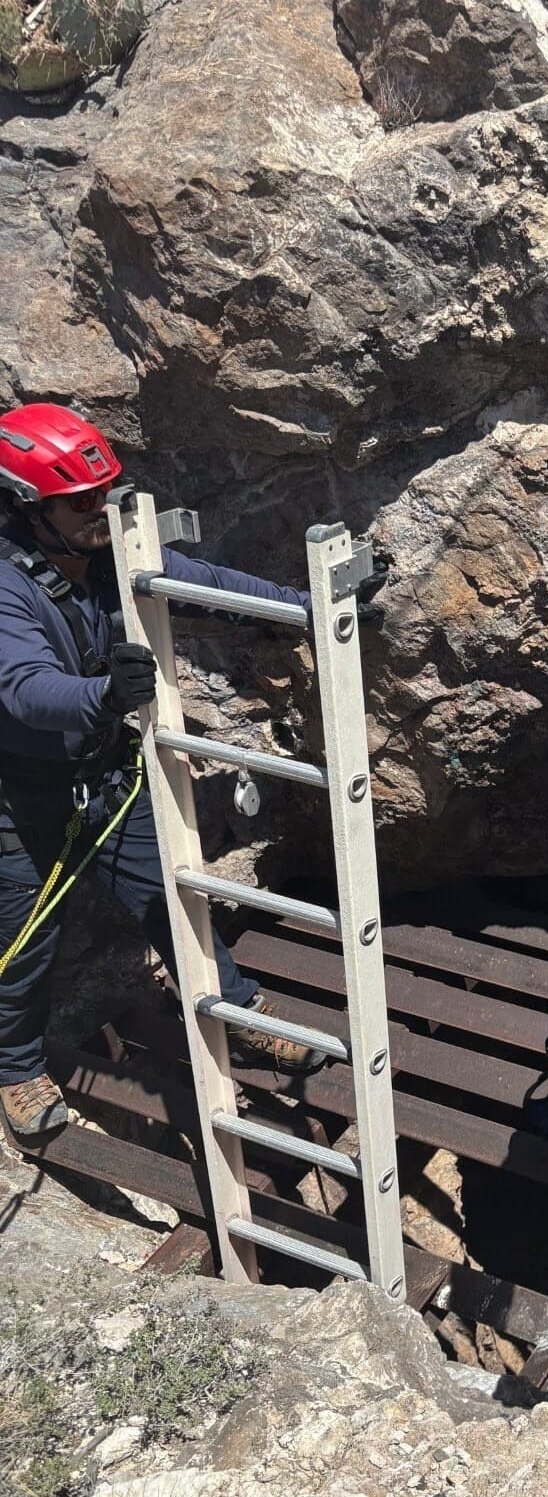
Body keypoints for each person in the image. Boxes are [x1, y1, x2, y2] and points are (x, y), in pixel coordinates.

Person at [0, 402, 378, 1139]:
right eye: (76, 501)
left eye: (101, 494)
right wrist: (103, 695)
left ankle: (235, 1008)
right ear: (25, 507)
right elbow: (21, 688)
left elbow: (196, 579)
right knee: (24, 943)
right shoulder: (5, 586)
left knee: (179, 901)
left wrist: (312, 609)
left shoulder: (107, 547)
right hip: (23, 799)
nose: (96, 510)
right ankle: (15, 1069)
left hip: (109, 781)